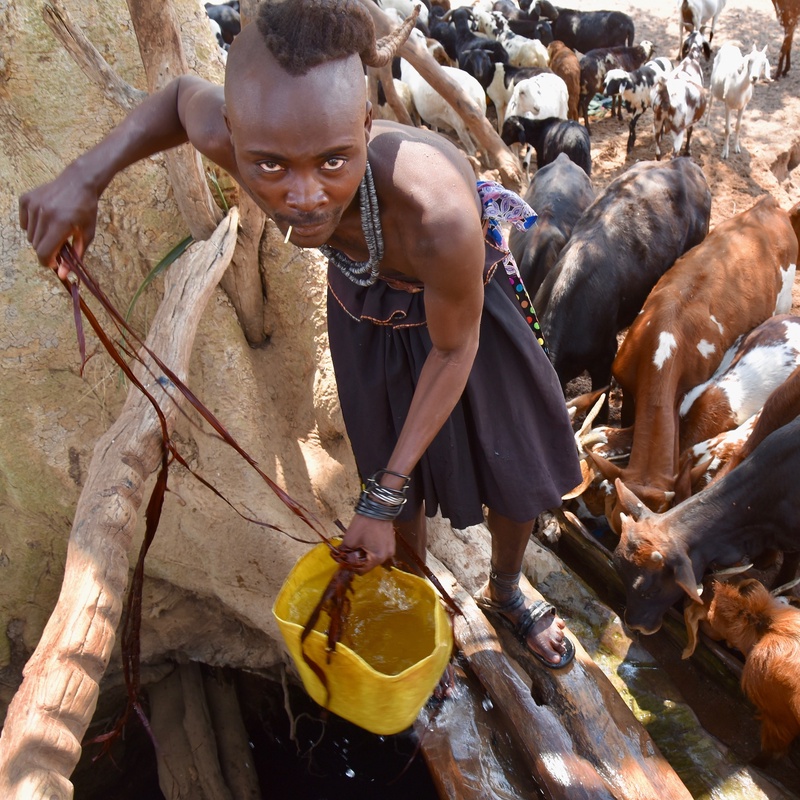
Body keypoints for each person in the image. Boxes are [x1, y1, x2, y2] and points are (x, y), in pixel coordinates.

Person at [19, 0, 581, 668]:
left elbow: (454, 349)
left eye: (334, 161)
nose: (305, 195)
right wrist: (83, 179)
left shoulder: (435, 214)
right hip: (364, 311)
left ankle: (506, 588)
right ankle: (413, 598)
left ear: (366, 123)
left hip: (463, 309)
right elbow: (177, 100)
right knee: (390, 470)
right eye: (270, 167)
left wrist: (377, 499)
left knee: (515, 463)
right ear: (234, 135)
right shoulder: (244, 136)